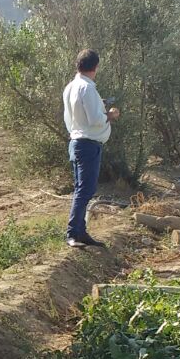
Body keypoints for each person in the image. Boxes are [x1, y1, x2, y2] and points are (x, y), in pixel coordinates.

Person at [62, 48, 120, 247]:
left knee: (82, 189)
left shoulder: (70, 87)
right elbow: (95, 119)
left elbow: (72, 118)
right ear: (95, 67)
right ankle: (73, 233)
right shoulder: (87, 88)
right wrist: (110, 114)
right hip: (87, 144)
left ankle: (80, 231)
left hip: (76, 142)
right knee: (85, 190)